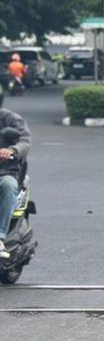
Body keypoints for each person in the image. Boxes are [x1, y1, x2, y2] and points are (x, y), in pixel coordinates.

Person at [0, 93, 31, 260]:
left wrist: (12, 150)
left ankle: (0, 236)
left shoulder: (11, 119)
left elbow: (25, 141)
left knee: (8, 185)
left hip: (5, 171)